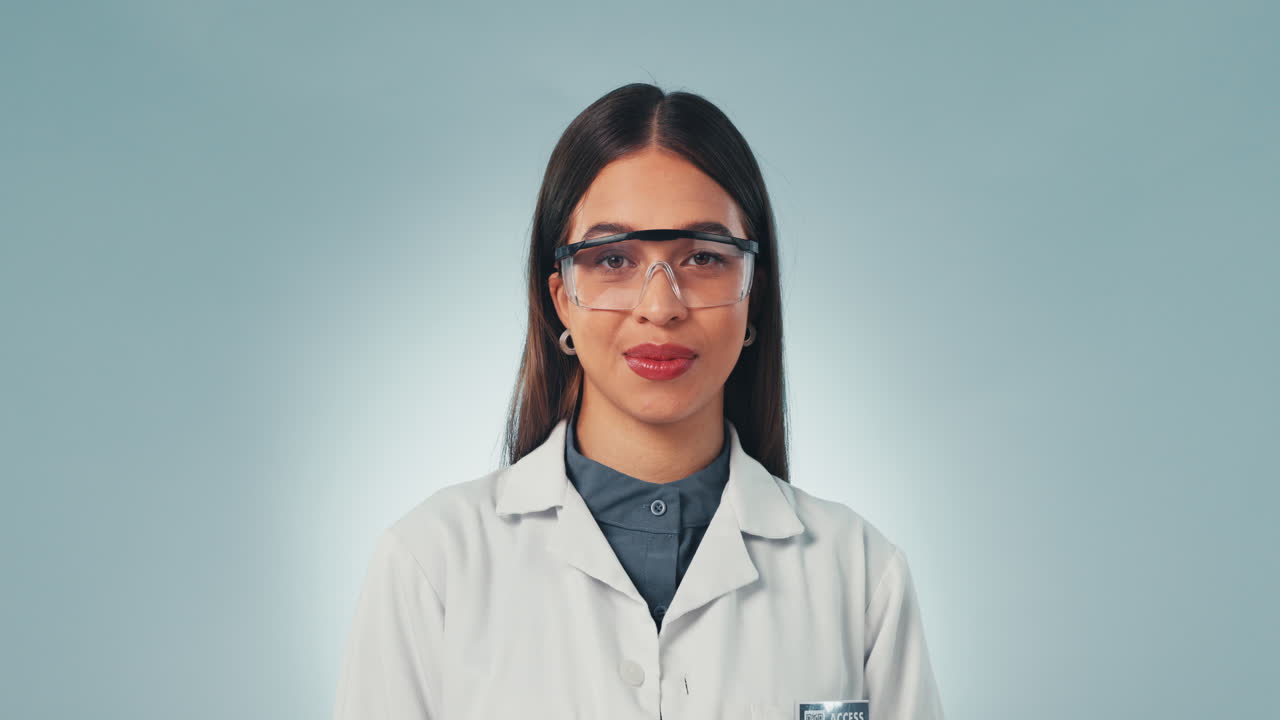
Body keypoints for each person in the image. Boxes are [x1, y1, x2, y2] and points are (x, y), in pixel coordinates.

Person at [333, 83, 946, 720]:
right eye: (615, 259)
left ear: (752, 294)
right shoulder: (432, 562)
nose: (661, 306)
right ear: (561, 296)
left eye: (705, 256)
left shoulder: (859, 574)